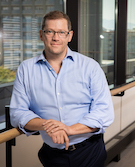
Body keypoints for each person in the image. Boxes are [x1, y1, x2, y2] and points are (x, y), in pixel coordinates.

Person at [10, 10, 114, 167]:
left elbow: (104, 111)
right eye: (50, 31)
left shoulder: (90, 67)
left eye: (61, 32)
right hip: (53, 155)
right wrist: (48, 125)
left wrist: (69, 129)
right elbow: (17, 112)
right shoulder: (26, 69)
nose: (55, 37)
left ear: (69, 36)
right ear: (41, 34)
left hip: (90, 151)